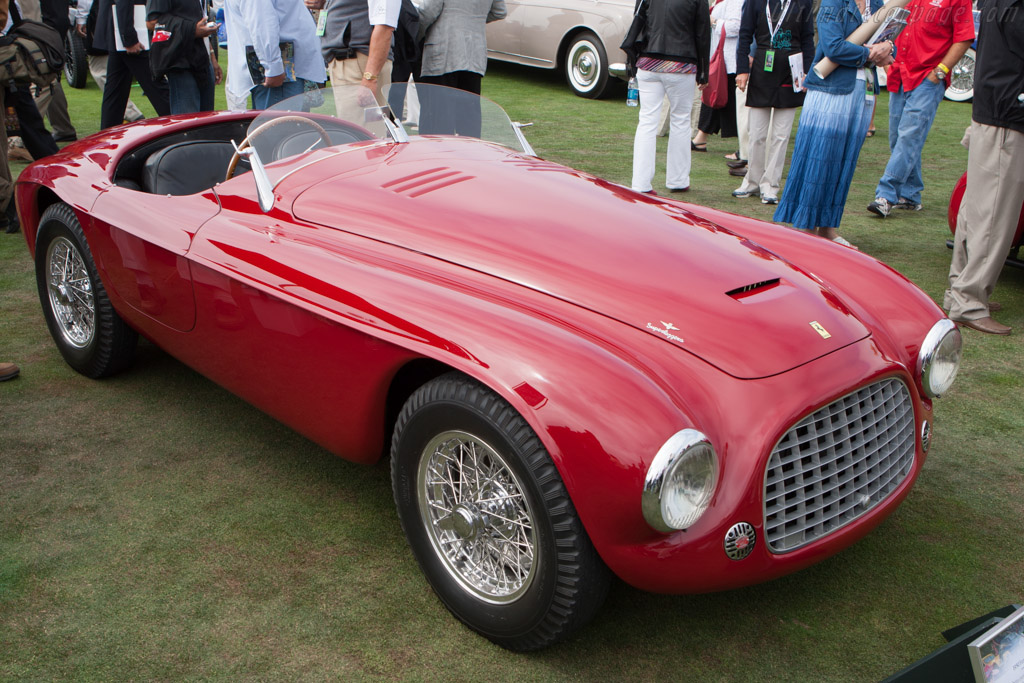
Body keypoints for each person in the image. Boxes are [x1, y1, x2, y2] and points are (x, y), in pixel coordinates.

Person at [772, 0, 894, 245]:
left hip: (863, 93)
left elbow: (891, 38)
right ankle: (805, 227)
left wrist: (889, 46)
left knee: (844, 163)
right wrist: (870, 53)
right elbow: (833, 47)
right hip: (830, 93)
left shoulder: (876, 3)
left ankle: (828, 228)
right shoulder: (833, 2)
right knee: (819, 161)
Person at [942, 0, 1024, 335]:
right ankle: (968, 301)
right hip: (1007, 115)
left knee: (976, 212)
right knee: (993, 216)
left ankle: (961, 290)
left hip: (994, 108)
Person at [865, 0, 973, 217]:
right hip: (901, 73)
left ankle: (886, 195)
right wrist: (888, 63)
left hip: (927, 78)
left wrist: (940, 71)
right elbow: (891, 24)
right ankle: (910, 195)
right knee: (899, 137)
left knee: (908, 136)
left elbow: (964, 37)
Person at [732, 0, 815, 204]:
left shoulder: (803, 2)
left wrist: (807, 72)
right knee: (757, 133)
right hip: (761, 68)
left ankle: (770, 185)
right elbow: (744, 35)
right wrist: (742, 69)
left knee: (781, 135)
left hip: (791, 72)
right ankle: (752, 181)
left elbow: (807, 38)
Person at [629, 0, 711, 194]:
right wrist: (704, 72)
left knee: (647, 121)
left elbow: (637, 21)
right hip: (681, 64)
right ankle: (678, 179)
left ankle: (640, 183)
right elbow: (703, 33)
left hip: (648, 61)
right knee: (681, 120)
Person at [416, 0, 505, 136]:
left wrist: (415, 37)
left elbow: (427, 12)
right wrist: (473, 21)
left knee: (437, 121)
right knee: (469, 121)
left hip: (443, 52)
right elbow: (499, 11)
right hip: (474, 53)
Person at [223, 0, 324, 110]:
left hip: (283, 67)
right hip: (280, 71)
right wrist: (272, 67)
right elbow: (261, 22)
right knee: (281, 124)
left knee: (288, 123)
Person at [314, 0, 400, 117]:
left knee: (365, 131)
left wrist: (370, 78)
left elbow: (385, 26)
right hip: (349, 62)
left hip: (360, 63)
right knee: (354, 129)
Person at [96, 0, 171, 129]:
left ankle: (107, 135)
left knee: (115, 91)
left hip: (122, 29)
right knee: (156, 84)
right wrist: (129, 38)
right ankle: (185, 128)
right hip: (129, 30)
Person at [75, 0, 145, 124]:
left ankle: (128, 116)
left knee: (108, 78)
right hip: (122, 25)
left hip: (123, 25)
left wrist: (82, 16)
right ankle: (125, 119)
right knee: (113, 84)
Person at [146, 0, 222, 114]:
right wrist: (193, 29)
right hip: (180, 62)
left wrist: (212, 57)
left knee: (206, 125)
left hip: (203, 60)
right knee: (188, 124)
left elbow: (201, 19)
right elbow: (152, 21)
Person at [691, 0, 741, 153]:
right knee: (713, 97)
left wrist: (713, 21)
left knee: (729, 102)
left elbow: (735, 27)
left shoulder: (736, 2)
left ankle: (744, 150)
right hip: (720, 58)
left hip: (729, 59)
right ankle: (701, 138)